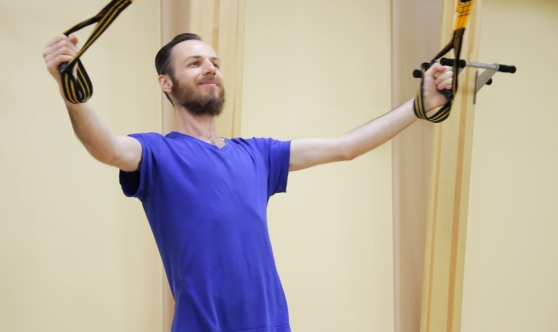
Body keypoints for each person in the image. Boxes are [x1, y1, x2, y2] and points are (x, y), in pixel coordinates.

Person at [43, 32, 453, 332]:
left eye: (215, 63)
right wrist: (69, 90)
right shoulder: (156, 153)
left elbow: (345, 147)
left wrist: (420, 105)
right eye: (195, 63)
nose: (210, 69)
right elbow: (107, 149)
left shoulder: (258, 154)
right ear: (166, 83)